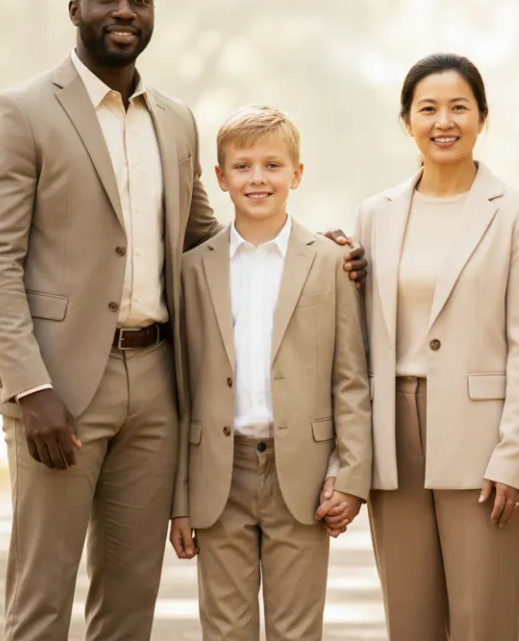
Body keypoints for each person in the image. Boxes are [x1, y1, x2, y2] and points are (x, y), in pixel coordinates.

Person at [0, 0, 365, 641]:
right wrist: (31, 389)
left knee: (129, 604)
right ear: (76, 10)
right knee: (42, 597)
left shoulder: (174, 120)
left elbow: (204, 238)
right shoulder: (21, 113)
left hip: (156, 387)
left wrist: (313, 252)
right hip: (57, 389)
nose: (124, 11)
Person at [354, 53, 519, 641]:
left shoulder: (516, 213)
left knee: (482, 621)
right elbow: (358, 337)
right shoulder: (374, 215)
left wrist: (514, 458)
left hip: (482, 439)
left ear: (483, 118)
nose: (444, 121)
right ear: (406, 121)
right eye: (428, 108)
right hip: (394, 434)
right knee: (409, 624)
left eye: (459, 107)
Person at [169, 104, 371, 640]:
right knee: (225, 629)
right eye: (243, 167)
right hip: (220, 473)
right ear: (220, 178)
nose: (258, 178)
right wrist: (180, 500)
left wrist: (349, 475)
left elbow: (350, 379)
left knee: (297, 630)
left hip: (301, 477)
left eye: (272, 165)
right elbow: (182, 391)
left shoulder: (329, 263)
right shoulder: (194, 269)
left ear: (297, 174)